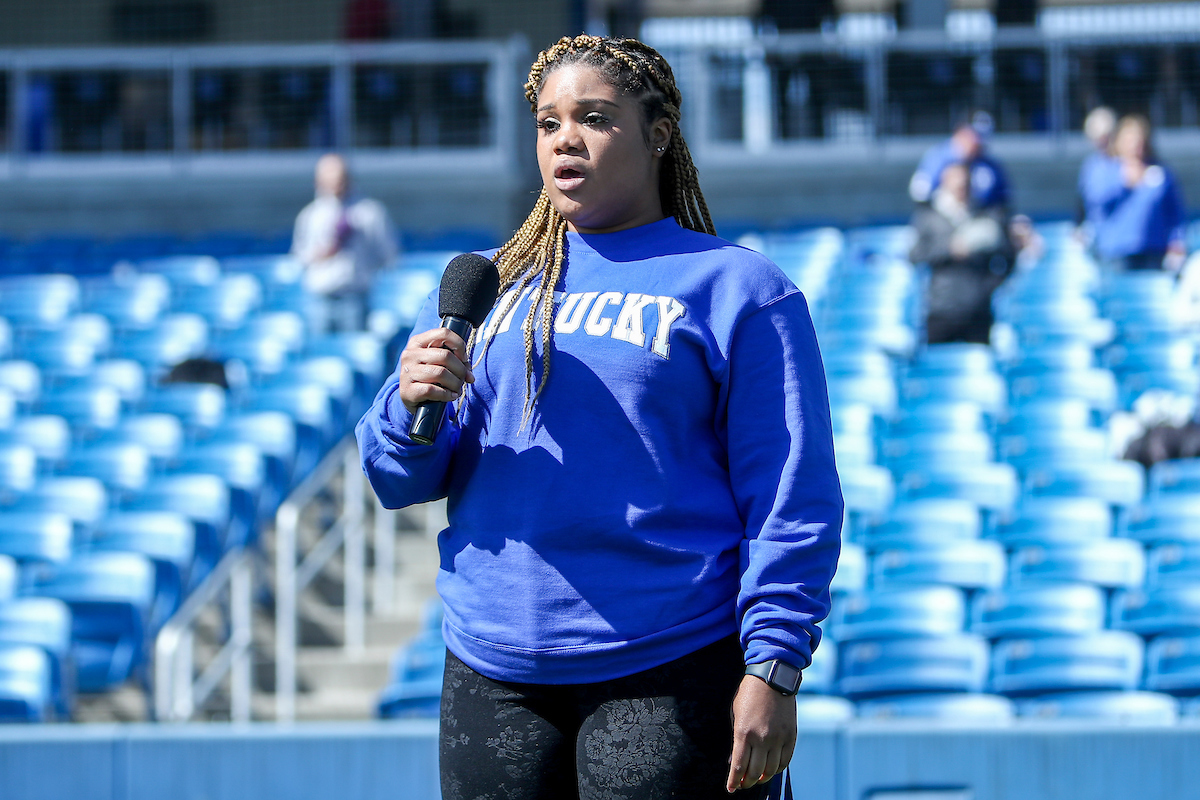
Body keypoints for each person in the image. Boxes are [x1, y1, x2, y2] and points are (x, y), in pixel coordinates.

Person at [356, 34, 842, 799]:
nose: (565, 139)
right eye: (548, 123)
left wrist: (773, 667)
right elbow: (398, 480)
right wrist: (407, 405)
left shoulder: (739, 288)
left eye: (594, 118)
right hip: (492, 672)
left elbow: (791, 495)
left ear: (658, 135)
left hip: (671, 662)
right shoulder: (489, 287)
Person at [910, 162, 1014, 344]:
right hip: (942, 308)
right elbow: (916, 255)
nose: (961, 189)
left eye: (965, 184)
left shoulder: (985, 215)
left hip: (977, 308)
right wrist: (949, 250)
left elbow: (1006, 253)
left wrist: (990, 285)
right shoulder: (929, 217)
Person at [291, 153, 398, 329]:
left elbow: (388, 253)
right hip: (319, 296)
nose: (335, 184)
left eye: (339, 178)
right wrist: (321, 253)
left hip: (355, 295)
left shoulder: (369, 212)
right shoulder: (310, 215)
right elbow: (299, 256)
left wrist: (363, 262)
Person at [1090, 114, 1187, 272]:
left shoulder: (1160, 172)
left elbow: (1174, 213)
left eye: (1139, 141)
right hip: (1116, 254)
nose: (1135, 146)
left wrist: (1176, 242)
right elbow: (1095, 204)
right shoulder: (1104, 170)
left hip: (1154, 251)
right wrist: (1124, 182)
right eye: (1129, 141)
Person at [908, 113, 1010, 211]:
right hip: (941, 215)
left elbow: (1002, 198)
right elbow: (920, 194)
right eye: (974, 136)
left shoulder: (988, 164)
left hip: (979, 215)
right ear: (961, 133)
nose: (978, 144)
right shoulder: (937, 158)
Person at [1075, 106, 1117, 241]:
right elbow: (1082, 201)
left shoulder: (1124, 164)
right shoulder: (1090, 165)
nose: (1101, 143)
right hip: (1095, 233)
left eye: (1105, 138)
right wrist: (1079, 227)